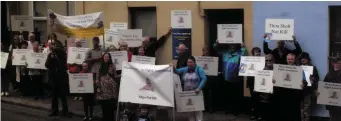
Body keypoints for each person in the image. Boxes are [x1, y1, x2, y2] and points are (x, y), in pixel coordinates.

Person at [214, 40, 246, 118]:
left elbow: (245, 56)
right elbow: (216, 49)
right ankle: (229, 109)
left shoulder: (239, 53)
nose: (232, 46)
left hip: (235, 79)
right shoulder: (225, 53)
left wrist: (243, 47)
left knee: (235, 96)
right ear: (228, 45)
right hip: (226, 78)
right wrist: (216, 43)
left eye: (233, 45)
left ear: (235, 46)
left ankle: (235, 110)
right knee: (227, 95)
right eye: (230, 45)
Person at [272, 53, 307, 121]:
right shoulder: (281, 69)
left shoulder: (299, 69)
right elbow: (278, 80)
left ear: (295, 59)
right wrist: (274, 80)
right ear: (286, 59)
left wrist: (304, 84)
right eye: (288, 59)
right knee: (284, 115)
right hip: (284, 95)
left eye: (292, 59)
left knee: (294, 115)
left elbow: (305, 81)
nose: (290, 60)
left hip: (295, 96)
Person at [173, 56, 207, 121]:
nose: (189, 64)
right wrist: (172, 67)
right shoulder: (185, 69)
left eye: (191, 62)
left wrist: (199, 88)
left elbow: (204, 79)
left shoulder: (199, 69)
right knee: (189, 110)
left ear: (194, 62)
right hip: (187, 93)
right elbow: (177, 71)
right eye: (188, 62)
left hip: (196, 92)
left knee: (198, 110)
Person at [45, 40, 71, 117]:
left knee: (63, 96)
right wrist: (51, 58)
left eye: (56, 46)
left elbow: (63, 66)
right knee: (54, 96)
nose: (55, 47)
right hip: (54, 78)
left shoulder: (62, 54)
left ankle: (65, 112)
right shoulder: (50, 55)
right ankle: (54, 110)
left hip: (61, 78)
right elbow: (46, 65)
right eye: (54, 46)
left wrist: (56, 58)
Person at [95, 52, 119, 121]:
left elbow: (115, 76)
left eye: (108, 57)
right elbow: (97, 78)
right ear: (103, 57)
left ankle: (111, 119)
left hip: (111, 89)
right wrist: (98, 87)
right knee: (104, 106)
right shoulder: (99, 66)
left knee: (111, 105)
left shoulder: (112, 66)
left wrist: (122, 75)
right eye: (105, 57)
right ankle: (105, 118)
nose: (106, 58)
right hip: (103, 89)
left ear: (110, 58)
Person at [297, 52, 319, 121]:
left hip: (308, 91)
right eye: (302, 59)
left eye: (305, 58)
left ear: (308, 59)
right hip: (299, 91)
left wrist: (313, 81)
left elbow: (316, 78)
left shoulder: (312, 67)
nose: (303, 60)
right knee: (300, 109)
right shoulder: (298, 67)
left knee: (307, 109)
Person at [320, 57, 341, 121]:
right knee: (333, 118)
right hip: (332, 103)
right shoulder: (329, 74)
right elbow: (324, 85)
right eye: (336, 62)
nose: (337, 64)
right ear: (333, 64)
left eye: (339, 63)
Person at [246, 47, 262, 120]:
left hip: (260, 82)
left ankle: (259, 115)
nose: (258, 53)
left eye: (259, 52)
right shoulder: (249, 61)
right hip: (251, 82)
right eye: (256, 52)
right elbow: (246, 70)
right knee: (253, 99)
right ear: (253, 54)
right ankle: (254, 114)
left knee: (259, 99)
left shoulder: (262, 61)